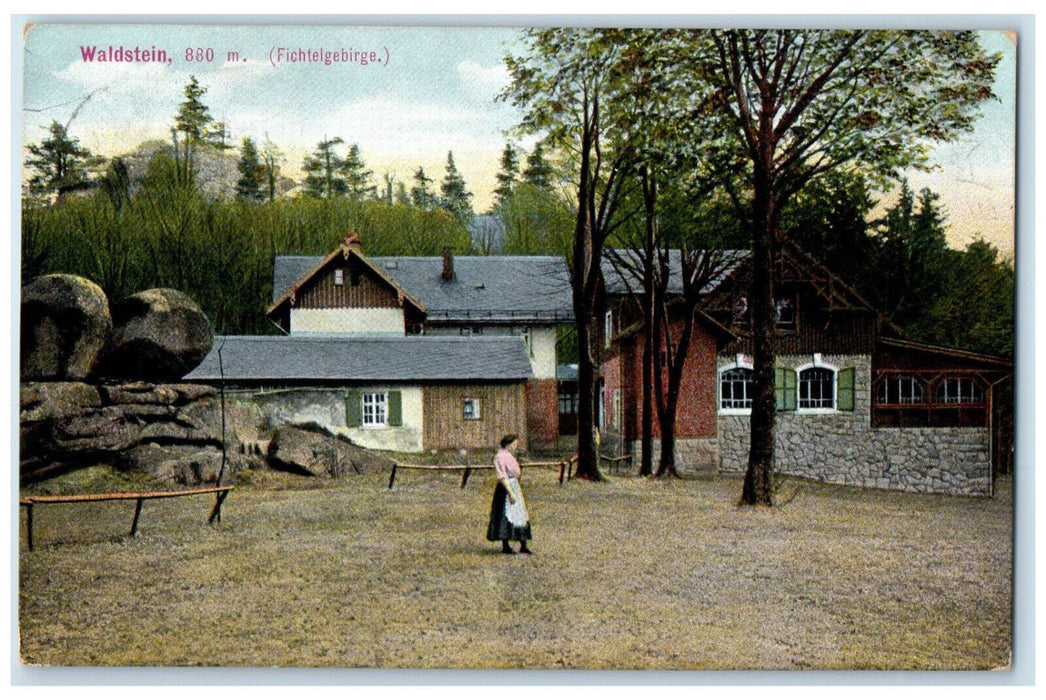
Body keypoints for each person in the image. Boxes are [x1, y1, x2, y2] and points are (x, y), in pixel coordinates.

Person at [486, 433, 532, 555]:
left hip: (514, 484)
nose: (515, 447)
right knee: (506, 514)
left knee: (519, 513)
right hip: (506, 487)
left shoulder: (509, 456)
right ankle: (506, 545)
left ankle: (523, 544)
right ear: (507, 445)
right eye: (514, 445)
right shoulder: (500, 457)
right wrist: (510, 492)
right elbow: (502, 476)